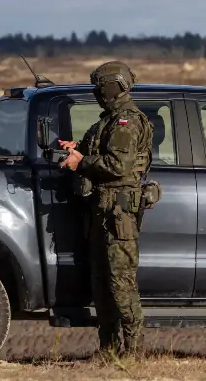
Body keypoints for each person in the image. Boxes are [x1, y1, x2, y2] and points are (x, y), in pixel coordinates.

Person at [57, 60, 154, 358]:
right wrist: (76, 149)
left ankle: (133, 352)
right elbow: (97, 149)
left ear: (113, 87)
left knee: (121, 284)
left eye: (100, 88)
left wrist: (80, 163)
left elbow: (118, 165)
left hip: (119, 216)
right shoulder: (107, 122)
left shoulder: (127, 121)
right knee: (101, 285)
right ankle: (109, 349)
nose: (98, 93)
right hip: (101, 213)